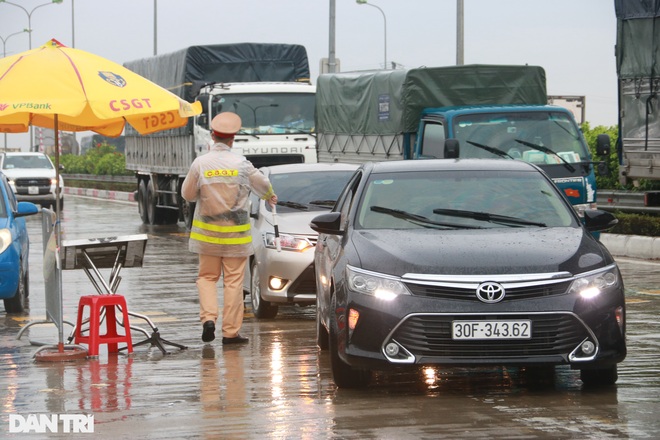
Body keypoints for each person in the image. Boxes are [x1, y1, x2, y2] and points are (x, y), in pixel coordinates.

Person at [182, 112, 277, 345]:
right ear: (232, 139)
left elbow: (187, 194)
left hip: (207, 236)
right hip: (235, 237)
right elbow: (262, 185)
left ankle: (208, 319)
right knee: (234, 282)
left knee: (206, 278)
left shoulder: (200, 164)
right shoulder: (242, 164)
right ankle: (230, 333)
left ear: (213, 136)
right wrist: (269, 195)